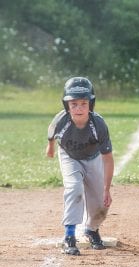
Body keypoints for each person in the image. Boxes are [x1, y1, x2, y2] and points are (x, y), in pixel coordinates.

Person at [46, 77, 114, 256]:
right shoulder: (61, 120)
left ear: (91, 104)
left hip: (93, 158)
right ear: (66, 105)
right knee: (74, 189)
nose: (78, 108)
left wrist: (107, 189)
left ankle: (91, 229)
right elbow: (51, 131)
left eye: (83, 103)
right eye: (73, 103)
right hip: (69, 156)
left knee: (101, 203)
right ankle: (69, 235)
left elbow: (107, 158)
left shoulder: (98, 124)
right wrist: (50, 146)